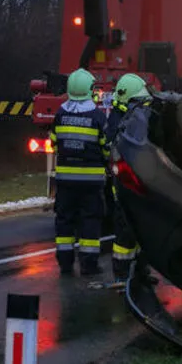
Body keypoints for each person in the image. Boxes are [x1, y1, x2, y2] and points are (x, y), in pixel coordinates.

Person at [50, 68, 109, 276]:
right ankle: (88, 265)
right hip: (91, 183)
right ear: (88, 90)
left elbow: (54, 142)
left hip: (65, 181)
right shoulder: (98, 117)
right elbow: (106, 147)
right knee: (90, 221)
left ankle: (65, 264)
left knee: (64, 220)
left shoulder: (60, 114)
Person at [104, 73, 152, 285]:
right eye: (138, 101)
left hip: (138, 183)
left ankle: (141, 272)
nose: (142, 104)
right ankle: (122, 275)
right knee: (125, 233)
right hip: (125, 186)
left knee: (142, 230)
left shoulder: (134, 117)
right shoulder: (119, 121)